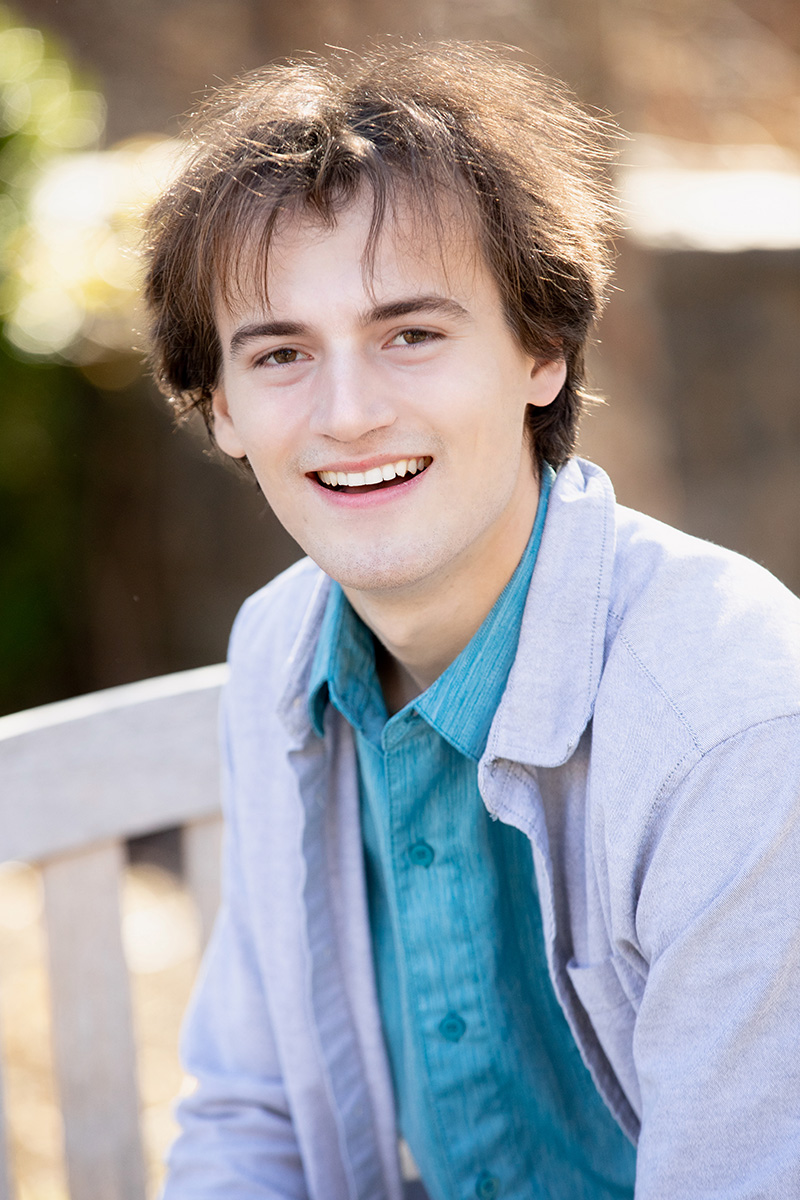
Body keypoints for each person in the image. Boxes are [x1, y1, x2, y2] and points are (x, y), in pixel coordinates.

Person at [143, 41, 800, 1200]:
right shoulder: (277, 654)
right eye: (281, 353)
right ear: (223, 410)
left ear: (540, 350)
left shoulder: (733, 718)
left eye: (411, 334)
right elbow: (251, 1117)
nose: (347, 413)